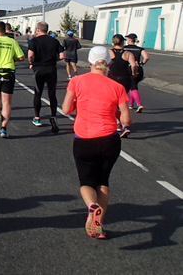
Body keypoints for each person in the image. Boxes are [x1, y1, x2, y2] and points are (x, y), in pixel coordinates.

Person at [62, 46, 131, 240]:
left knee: (86, 181)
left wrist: (78, 103)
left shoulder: (76, 81)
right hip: (109, 140)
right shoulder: (117, 87)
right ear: (108, 63)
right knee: (103, 182)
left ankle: (91, 207)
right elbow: (126, 121)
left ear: (90, 62)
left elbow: (66, 109)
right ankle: (98, 225)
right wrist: (116, 113)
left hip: (84, 139)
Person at [27, 21, 65, 132]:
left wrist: (31, 63)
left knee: (38, 93)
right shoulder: (54, 41)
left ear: (38, 29)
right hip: (51, 69)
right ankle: (53, 116)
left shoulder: (34, 41)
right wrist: (54, 59)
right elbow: (62, 55)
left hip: (39, 69)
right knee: (52, 94)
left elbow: (30, 55)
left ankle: (37, 118)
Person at [107, 34, 137, 137]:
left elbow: (105, 64)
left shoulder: (109, 52)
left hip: (112, 79)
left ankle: (119, 123)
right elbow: (133, 65)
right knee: (122, 102)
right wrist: (134, 73)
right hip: (125, 79)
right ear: (122, 42)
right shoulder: (128, 54)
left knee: (112, 103)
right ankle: (124, 125)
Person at [124, 34, 149, 112]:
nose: (127, 40)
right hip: (139, 68)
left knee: (133, 86)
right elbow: (146, 57)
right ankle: (131, 104)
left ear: (130, 40)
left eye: (127, 39)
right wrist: (142, 63)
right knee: (133, 85)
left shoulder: (125, 49)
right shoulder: (140, 49)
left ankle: (139, 104)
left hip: (129, 68)